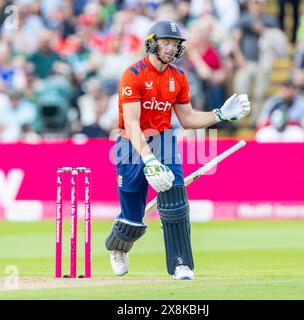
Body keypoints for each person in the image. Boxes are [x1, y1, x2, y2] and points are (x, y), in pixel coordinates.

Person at [104, 20, 250, 280]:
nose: (171, 49)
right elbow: (131, 123)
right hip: (131, 143)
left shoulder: (178, 77)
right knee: (133, 215)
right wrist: (149, 160)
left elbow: (187, 118)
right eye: (166, 43)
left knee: (175, 201)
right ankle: (118, 247)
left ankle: (181, 263)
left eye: (175, 44)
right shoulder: (133, 75)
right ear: (152, 43)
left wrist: (220, 114)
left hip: (163, 140)